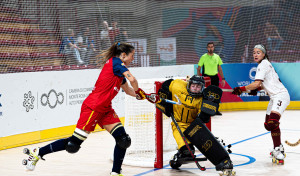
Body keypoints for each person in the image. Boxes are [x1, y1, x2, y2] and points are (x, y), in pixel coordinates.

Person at [23, 42, 150, 176]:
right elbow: (133, 80)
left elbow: (128, 89)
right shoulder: (117, 62)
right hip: (93, 107)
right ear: (123, 55)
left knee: (123, 140)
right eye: (132, 55)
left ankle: (115, 173)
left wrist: (140, 96)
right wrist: (139, 90)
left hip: (105, 109)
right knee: (73, 144)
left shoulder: (118, 70)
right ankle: (37, 152)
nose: (133, 58)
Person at [147, 75, 234, 174]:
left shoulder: (202, 98)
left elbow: (205, 116)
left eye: (198, 87)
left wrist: (208, 110)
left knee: (206, 144)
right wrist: (165, 96)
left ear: (202, 88)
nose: (195, 89)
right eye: (193, 86)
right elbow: (167, 85)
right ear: (189, 85)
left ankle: (223, 161)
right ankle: (183, 152)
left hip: (193, 125)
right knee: (186, 148)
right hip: (178, 123)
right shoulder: (178, 85)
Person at [232, 44, 290, 164]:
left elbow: (256, 84)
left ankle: (278, 150)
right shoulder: (264, 64)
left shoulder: (263, 64)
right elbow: (260, 87)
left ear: (264, 54)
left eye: (258, 52)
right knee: (268, 125)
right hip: (274, 98)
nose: (255, 54)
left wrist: (241, 89)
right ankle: (278, 147)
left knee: (272, 122)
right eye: (254, 52)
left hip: (280, 96)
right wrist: (249, 90)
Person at [197, 42, 225, 115]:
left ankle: (215, 110)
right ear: (207, 48)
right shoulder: (203, 57)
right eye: (209, 47)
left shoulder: (217, 57)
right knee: (205, 94)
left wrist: (223, 78)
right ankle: (204, 110)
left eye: (212, 47)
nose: (210, 48)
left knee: (216, 94)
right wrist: (199, 78)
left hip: (215, 77)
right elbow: (199, 68)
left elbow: (220, 68)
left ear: (214, 47)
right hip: (206, 78)